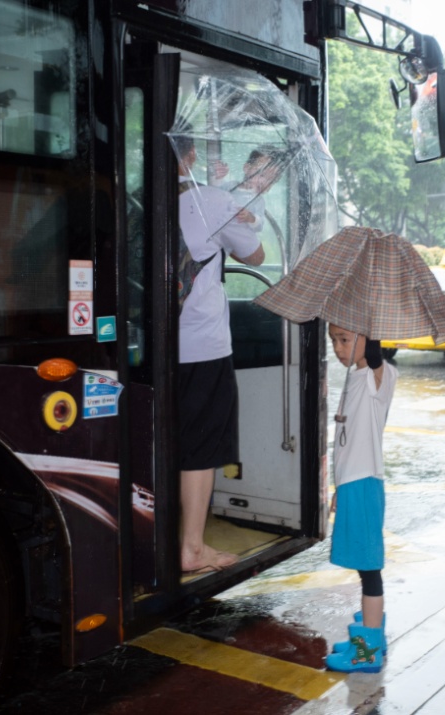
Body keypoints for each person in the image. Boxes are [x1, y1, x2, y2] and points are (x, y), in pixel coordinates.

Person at [176, 133, 265, 575]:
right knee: (200, 446)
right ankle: (191, 547)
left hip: (151, 346)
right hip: (203, 346)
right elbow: (256, 255)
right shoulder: (211, 200)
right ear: (190, 156)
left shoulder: (139, 200)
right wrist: (243, 215)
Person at [323, 325, 398, 674]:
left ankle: (368, 653)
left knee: (369, 570)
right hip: (353, 484)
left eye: (344, 339)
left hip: (364, 484)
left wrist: (372, 344)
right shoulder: (354, 376)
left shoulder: (377, 377)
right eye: (333, 340)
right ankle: (371, 635)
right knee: (362, 566)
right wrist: (340, 488)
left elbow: (377, 363)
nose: (338, 347)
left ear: (368, 338)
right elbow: (348, 441)